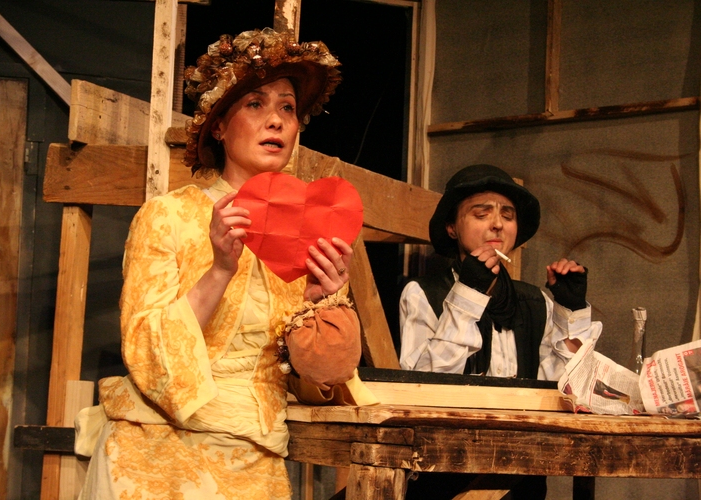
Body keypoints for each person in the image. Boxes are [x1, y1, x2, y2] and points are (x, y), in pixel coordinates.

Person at [75, 28, 376, 499]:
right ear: (218, 126)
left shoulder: (310, 235)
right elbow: (146, 351)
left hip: (255, 454)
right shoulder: (169, 215)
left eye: (287, 108)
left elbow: (321, 382)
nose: (275, 120)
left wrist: (320, 307)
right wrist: (219, 270)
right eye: (255, 104)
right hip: (156, 449)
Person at [399, 163, 602, 499]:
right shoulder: (423, 294)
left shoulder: (535, 301)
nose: (497, 223)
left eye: (507, 215)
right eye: (481, 214)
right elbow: (422, 389)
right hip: (446, 476)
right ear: (452, 227)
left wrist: (572, 312)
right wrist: (468, 294)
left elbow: (570, 393)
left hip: (522, 480)